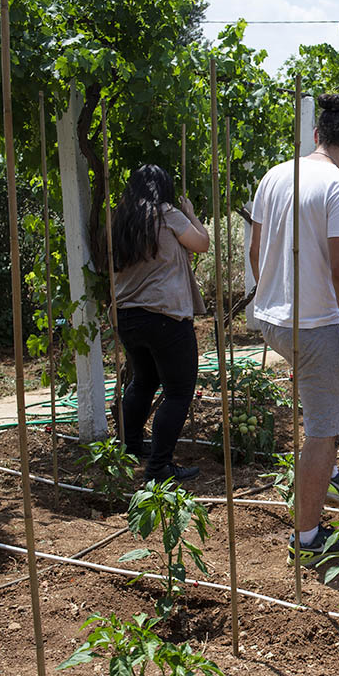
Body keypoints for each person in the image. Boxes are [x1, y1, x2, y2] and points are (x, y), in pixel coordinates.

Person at [249, 94, 339, 568]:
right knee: (323, 431)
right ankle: (308, 537)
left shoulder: (276, 175)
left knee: (326, 417)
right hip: (316, 326)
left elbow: (256, 251)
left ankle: (328, 481)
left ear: (317, 135)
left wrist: (275, 294)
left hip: (272, 319)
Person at [113, 164, 208, 483]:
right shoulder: (166, 213)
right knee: (179, 391)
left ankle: (127, 448)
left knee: (142, 381)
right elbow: (201, 243)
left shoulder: (122, 217)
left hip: (127, 315)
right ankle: (158, 468)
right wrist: (190, 213)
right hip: (164, 315)